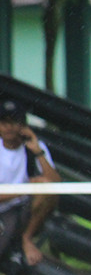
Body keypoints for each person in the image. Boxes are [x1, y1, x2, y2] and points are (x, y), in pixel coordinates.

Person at [0, 99, 61, 266]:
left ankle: (26, 239)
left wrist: (38, 153)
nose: (9, 127)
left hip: (26, 210)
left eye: (14, 122)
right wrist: (26, 189)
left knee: (46, 188)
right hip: (4, 211)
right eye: (4, 122)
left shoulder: (34, 148)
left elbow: (56, 185)